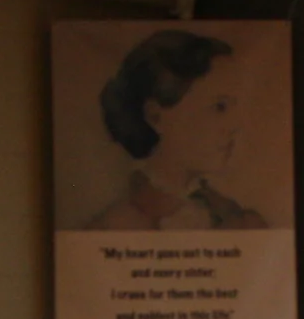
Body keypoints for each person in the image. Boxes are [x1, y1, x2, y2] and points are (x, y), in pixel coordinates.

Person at [84, 29, 268, 230]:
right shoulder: (111, 228)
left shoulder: (243, 223)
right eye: (219, 107)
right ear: (156, 116)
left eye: (233, 108)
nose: (234, 126)